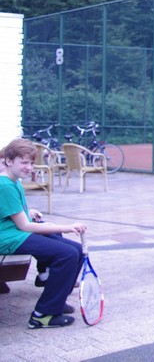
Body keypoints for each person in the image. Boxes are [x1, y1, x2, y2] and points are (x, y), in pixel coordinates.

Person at [0, 138, 86, 329]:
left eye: (31, 163)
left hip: (14, 233)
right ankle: (43, 315)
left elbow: (18, 215)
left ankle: (57, 301)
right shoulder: (5, 185)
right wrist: (64, 227)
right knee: (66, 254)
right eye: (23, 162)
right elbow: (25, 226)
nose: (29, 167)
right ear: (8, 161)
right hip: (7, 238)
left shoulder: (13, 181)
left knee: (77, 250)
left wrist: (34, 216)